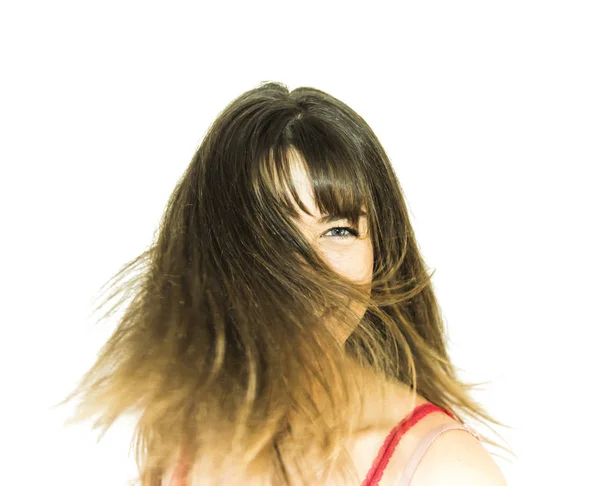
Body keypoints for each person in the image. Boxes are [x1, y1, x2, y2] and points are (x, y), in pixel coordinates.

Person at [58, 81, 511, 485]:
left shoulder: (442, 468)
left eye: (339, 230)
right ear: (217, 255)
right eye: (274, 234)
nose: (309, 272)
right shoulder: (184, 441)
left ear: (382, 252)